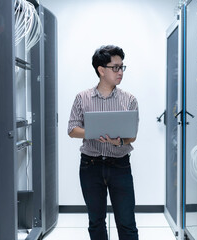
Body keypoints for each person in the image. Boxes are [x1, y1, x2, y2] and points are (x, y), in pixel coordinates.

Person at [67, 45, 139, 240]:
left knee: (127, 222)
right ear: (101, 70)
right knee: (96, 221)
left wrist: (119, 141)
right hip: (91, 165)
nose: (120, 72)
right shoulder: (82, 98)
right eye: (115, 67)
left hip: (120, 165)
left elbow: (132, 135)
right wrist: (94, 132)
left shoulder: (129, 99)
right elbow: (72, 130)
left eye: (122, 67)